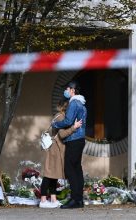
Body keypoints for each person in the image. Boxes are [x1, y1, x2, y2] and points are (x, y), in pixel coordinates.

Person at [39, 99, 82, 208]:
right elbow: (62, 134)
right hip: (56, 149)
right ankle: (43, 200)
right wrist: (74, 127)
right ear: (66, 108)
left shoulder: (58, 116)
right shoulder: (62, 117)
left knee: (54, 174)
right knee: (49, 175)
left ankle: (53, 199)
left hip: (56, 148)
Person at [52, 81, 87, 209]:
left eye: (67, 88)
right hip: (80, 139)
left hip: (74, 139)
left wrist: (55, 124)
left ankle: (75, 199)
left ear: (72, 90)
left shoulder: (73, 103)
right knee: (77, 169)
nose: (65, 91)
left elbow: (68, 121)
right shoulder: (82, 104)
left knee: (69, 169)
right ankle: (79, 200)